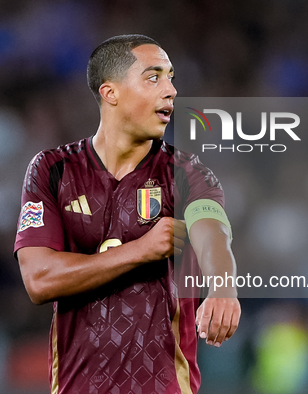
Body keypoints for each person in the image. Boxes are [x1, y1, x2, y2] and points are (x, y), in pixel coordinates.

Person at [14, 34, 240, 394]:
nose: (171, 90)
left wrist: (223, 287)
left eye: (171, 77)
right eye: (154, 77)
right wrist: (140, 250)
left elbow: (213, 234)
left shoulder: (188, 173)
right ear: (111, 93)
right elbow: (39, 280)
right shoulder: (52, 170)